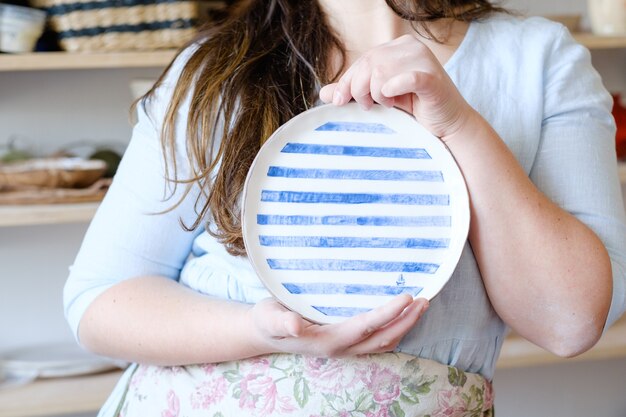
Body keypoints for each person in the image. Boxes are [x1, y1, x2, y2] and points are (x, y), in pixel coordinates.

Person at [65, 1, 626, 415]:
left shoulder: (538, 60)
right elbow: (100, 301)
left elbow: (570, 322)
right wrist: (261, 331)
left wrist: (458, 123)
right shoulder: (215, 71)